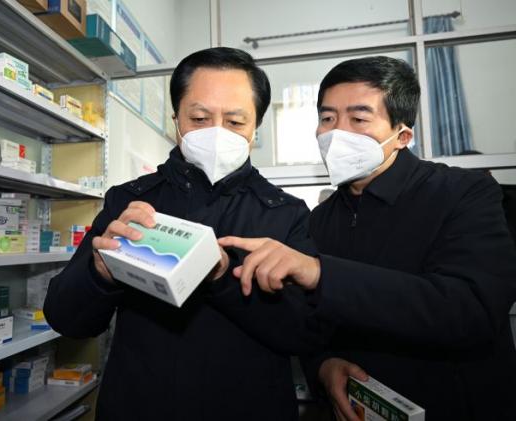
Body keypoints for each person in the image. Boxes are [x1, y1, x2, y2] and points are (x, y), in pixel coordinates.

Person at [219, 56, 516, 421]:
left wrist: (322, 274)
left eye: (358, 119)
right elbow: (310, 326)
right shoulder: (320, 220)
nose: (337, 133)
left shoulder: (463, 192)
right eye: (328, 118)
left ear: (402, 136)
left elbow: (472, 309)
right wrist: (322, 366)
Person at [43, 47, 320, 421]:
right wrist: (100, 273)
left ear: (256, 128)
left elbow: (304, 333)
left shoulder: (286, 214)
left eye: (235, 121)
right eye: (200, 118)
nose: (217, 133)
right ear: (176, 120)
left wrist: (223, 275)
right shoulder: (129, 202)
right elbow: (66, 319)